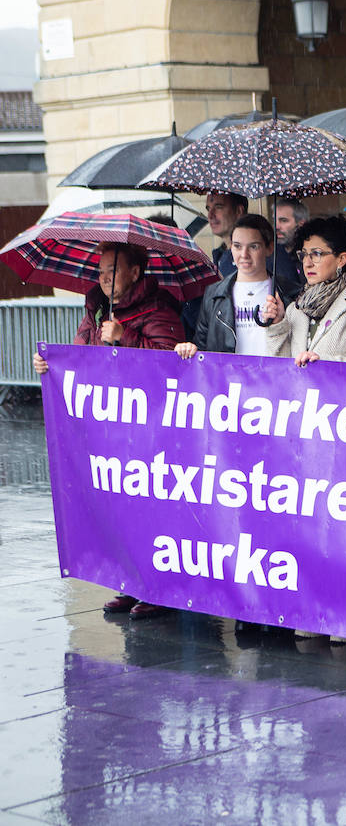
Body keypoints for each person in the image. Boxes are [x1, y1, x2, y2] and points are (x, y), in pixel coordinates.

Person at [31, 241, 185, 621]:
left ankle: (159, 587)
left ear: (135, 272)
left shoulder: (159, 308)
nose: (103, 277)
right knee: (120, 505)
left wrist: (123, 338)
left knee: (152, 506)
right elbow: (82, 348)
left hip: (149, 424)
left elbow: (169, 361)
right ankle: (130, 583)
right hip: (109, 423)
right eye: (100, 270)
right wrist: (52, 363)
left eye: (113, 270)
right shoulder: (96, 306)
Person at [261, 215, 346, 367]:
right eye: (304, 254)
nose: (307, 263)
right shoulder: (296, 309)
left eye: (317, 254)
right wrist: (277, 324)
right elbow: (282, 371)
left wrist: (325, 364)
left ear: (341, 259)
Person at [174, 214, 289, 360]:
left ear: (269, 248)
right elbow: (202, 348)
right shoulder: (214, 294)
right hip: (228, 379)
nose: (244, 254)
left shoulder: (288, 292)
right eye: (237, 246)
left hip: (273, 378)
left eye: (253, 246)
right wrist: (189, 349)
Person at [205, 191, 248, 278]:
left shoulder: (256, 255)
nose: (210, 215)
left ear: (239, 211)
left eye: (218, 207)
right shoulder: (218, 256)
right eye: (208, 209)